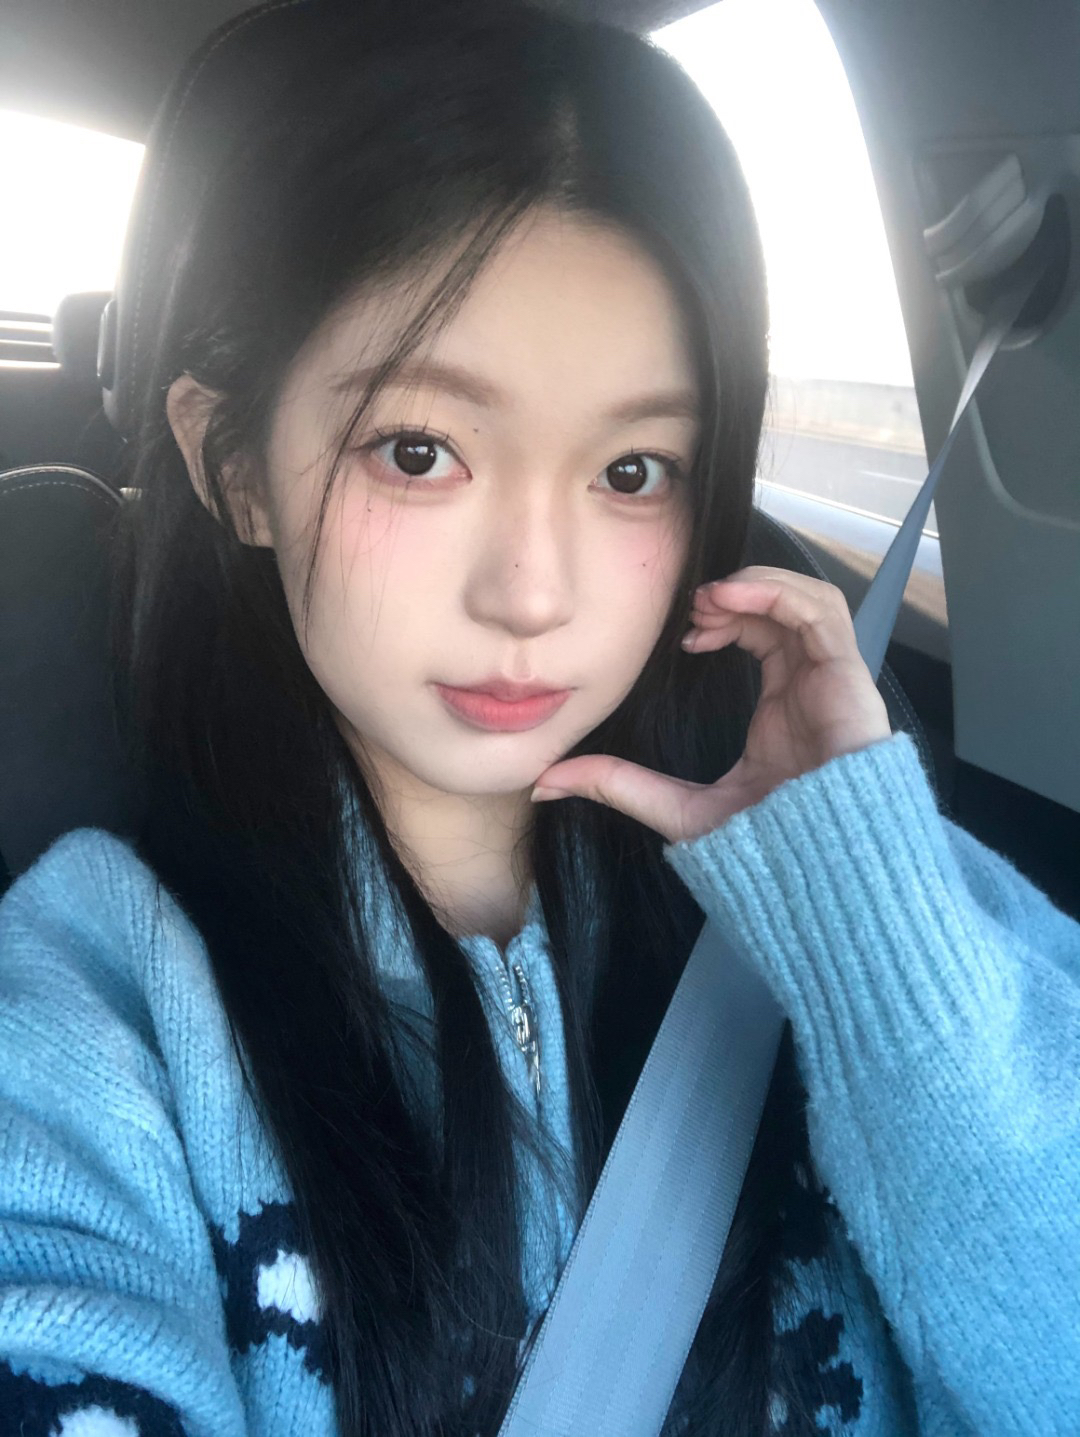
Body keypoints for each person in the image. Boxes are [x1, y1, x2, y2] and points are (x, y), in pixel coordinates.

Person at [0, 1, 1077, 1433]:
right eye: (420, 449)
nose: (534, 592)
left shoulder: (871, 894)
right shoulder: (101, 1007)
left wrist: (869, 915)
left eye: (633, 471)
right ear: (236, 466)